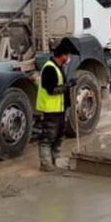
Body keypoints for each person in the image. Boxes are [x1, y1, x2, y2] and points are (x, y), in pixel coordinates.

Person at [35, 39, 73, 171]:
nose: (68, 58)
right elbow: (52, 90)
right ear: (62, 55)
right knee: (48, 136)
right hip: (51, 109)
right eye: (68, 56)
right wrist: (67, 86)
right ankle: (45, 163)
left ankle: (56, 159)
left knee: (59, 135)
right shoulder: (49, 69)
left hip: (60, 108)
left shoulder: (59, 67)